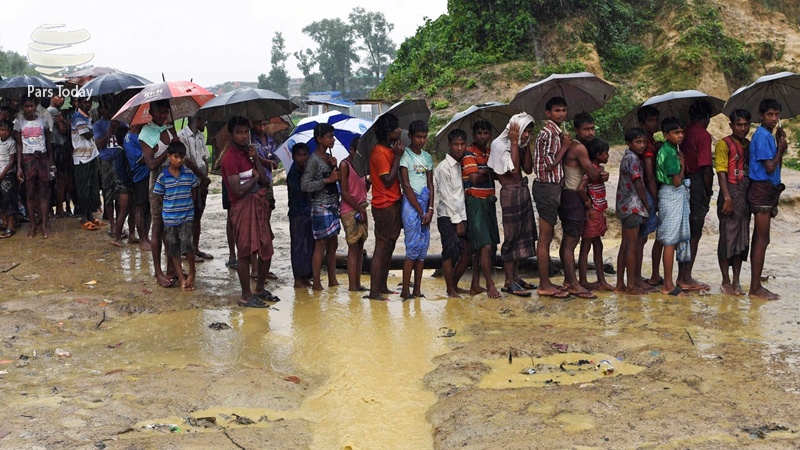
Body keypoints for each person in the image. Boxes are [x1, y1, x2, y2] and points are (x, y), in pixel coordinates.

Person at [219, 116, 277, 307]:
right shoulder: (229, 158)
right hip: (241, 206)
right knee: (244, 252)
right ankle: (246, 295)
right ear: (231, 134)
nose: (244, 136)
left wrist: (255, 162)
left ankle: (259, 289)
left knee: (266, 248)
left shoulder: (249, 153)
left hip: (257, 204)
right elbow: (238, 190)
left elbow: (263, 180)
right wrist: (255, 177)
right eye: (239, 132)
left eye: (246, 132)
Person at [487, 113, 537, 297]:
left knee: (522, 235)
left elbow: (528, 169)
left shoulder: (520, 144)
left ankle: (515, 277)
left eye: (529, 132)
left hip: (522, 190)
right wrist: (515, 143)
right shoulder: (499, 145)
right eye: (525, 131)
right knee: (511, 237)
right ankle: (508, 281)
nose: (526, 135)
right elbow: (514, 169)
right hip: (510, 193)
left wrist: (525, 145)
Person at [560, 112, 606, 298]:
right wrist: (601, 171)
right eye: (586, 129)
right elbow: (593, 175)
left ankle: (571, 281)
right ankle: (573, 283)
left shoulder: (578, 146)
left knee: (570, 240)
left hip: (570, 195)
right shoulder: (579, 148)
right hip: (572, 196)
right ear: (577, 130)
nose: (591, 132)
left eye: (592, 128)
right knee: (571, 240)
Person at [454, 120, 500, 298]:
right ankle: (490, 284)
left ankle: (475, 284)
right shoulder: (468, 153)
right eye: (479, 133)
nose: (483, 136)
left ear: (490, 135)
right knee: (485, 245)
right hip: (475, 202)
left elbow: (495, 173)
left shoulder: (489, 152)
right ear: (474, 135)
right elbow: (474, 178)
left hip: (488, 201)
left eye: (486, 133)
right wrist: (488, 170)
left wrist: (487, 171)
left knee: (483, 247)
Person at [748, 99, 787, 300]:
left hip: (768, 189)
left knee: (761, 238)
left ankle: (756, 282)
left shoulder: (769, 136)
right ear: (762, 116)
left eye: (776, 114)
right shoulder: (762, 136)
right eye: (770, 114)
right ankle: (755, 287)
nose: (774, 118)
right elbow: (770, 167)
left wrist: (781, 143)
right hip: (762, 189)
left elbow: (775, 161)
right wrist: (780, 147)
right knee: (762, 239)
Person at [532, 97, 571, 298]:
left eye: (564, 110)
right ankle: (544, 284)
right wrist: (565, 147)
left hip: (552, 187)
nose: (561, 114)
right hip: (546, 187)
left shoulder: (557, 133)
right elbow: (548, 164)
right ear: (548, 113)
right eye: (557, 110)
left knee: (546, 237)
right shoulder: (549, 134)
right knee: (545, 238)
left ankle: (547, 282)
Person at [152, 142, 200, 291]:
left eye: (181, 157)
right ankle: (181, 278)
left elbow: (193, 193)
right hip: (170, 219)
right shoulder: (162, 177)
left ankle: (192, 272)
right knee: (173, 248)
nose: (179, 160)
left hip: (186, 216)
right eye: (176, 157)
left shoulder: (189, 174)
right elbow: (160, 197)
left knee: (187, 245)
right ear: (169, 157)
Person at [715, 109, 752, 296]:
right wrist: (727, 197)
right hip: (730, 193)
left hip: (744, 195)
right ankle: (725, 279)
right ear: (731, 125)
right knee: (727, 238)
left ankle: (737, 279)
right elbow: (721, 171)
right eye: (739, 125)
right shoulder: (724, 144)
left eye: (746, 125)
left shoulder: (748, 145)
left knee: (741, 239)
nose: (742, 128)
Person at [677, 100, 713, 292]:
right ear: (706, 117)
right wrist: (709, 191)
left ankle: (682, 274)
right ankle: (686, 276)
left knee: (685, 230)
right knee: (695, 232)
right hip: (697, 181)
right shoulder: (703, 135)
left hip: (683, 181)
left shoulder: (684, 132)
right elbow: (706, 167)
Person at [301, 123, 341, 291]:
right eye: (329, 136)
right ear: (319, 139)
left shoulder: (328, 158)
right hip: (320, 206)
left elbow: (335, 179)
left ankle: (332, 279)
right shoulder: (313, 160)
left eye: (333, 136)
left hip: (333, 205)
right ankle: (317, 282)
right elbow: (305, 185)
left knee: (333, 245)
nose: (333, 139)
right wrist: (327, 180)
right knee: (321, 245)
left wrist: (334, 168)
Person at [368, 114, 404, 300]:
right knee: (381, 248)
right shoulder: (379, 153)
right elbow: (388, 181)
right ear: (389, 132)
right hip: (385, 205)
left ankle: (381, 286)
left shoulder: (387, 150)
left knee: (388, 247)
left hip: (392, 204)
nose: (399, 131)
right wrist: (398, 157)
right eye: (396, 128)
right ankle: (375, 291)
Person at [399, 120, 434, 299]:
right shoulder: (405, 156)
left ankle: (417, 289)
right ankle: (405, 289)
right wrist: (420, 212)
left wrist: (430, 209)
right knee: (411, 248)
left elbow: (430, 184)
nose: (422, 140)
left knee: (422, 250)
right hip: (411, 205)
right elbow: (406, 185)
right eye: (418, 137)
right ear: (411, 137)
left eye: (424, 137)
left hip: (425, 204)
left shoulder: (427, 158)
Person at [656, 117, 690, 297]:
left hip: (670, 194)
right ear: (666, 134)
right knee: (670, 241)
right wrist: (682, 164)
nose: (680, 136)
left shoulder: (669, 149)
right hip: (671, 194)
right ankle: (668, 285)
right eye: (676, 133)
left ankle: (668, 282)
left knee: (670, 239)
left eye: (681, 132)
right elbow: (677, 181)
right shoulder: (669, 153)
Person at [614, 131, 650, 294]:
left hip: (624, 206)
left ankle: (620, 284)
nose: (642, 145)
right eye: (638, 142)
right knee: (632, 247)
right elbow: (639, 184)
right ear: (629, 143)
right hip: (633, 207)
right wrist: (646, 204)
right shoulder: (633, 159)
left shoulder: (627, 157)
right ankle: (631, 286)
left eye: (643, 142)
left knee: (625, 245)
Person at [435, 128, 469, 298]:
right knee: (449, 252)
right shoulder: (444, 168)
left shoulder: (463, 165)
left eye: (462, 144)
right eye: (456, 144)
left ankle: (454, 285)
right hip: (448, 216)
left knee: (466, 252)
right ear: (449, 145)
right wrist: (458, 221)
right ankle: (450, 289)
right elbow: (448, 197)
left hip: (461, 214)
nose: (459, 148)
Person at [577, 138, 613, 291]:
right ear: (598, 155)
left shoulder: (597, 169)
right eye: (606, 154)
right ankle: (585, 280)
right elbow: (581, 188)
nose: (608, 156)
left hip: (598, 211)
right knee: (587, 245)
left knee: (596, 245)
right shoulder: (592, 170)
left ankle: (599, 279)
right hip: (594, 212)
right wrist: (588, 205)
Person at [16, 97, 54, 238]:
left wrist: (51, 162)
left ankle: (44, 224)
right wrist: (19, 166)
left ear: (35, 106)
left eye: (31, 106)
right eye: (26, 106)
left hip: (42, 157)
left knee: (43, 192)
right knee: (30, 193)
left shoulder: (42, 120)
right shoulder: (19, 122)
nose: (29, 109)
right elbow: (19, 144)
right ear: (23, 107)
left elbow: (48, 141)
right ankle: (32, 225)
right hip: (27, 158)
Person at [178, 115, 214, 261]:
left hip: (200, 180)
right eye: (203, 120)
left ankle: (195, 248)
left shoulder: (200, 136)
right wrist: (203, 177)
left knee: (198, 215)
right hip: (189, 181)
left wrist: (205, 177)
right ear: (197, 120)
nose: (205, 122)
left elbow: (205, 157)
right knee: (188, 216)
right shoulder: (182, 136)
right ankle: (187, 250)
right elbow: (186, 161)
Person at [636, 105, 663, 290]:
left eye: (655, 120)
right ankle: (636, 277)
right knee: (641, 237)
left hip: (646, 190)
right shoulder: (645, 143)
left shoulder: (651, 141)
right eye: (650, 121)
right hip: (646, 190)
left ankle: (638, 276)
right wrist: (655, 197)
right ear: (642, 123)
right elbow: (649, 174)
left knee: (643, 237)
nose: (654, 124)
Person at [339, 135, 369, 292]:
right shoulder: (345, 165)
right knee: (353, 247)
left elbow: (363, 190)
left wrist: (368, 182)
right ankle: (352, 286)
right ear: (351, 150)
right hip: (351, 210)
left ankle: (357, 283)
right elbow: (344, 193)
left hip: (361, 207)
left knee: (360, 246)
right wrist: (360, 209)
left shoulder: (362, 165)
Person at [287, 142, 314, 288]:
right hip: (298, 213)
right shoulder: (293, 173)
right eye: (299, 155)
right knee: (298, 246)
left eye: (305, 155)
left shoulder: (305, 170)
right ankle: (298, 279)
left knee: (308, 245)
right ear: (293, 156)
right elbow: (303, 189)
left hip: (307, 211)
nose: (302, 158)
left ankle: (305, 276)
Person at [123, 124, 150, 250]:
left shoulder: (142, 136)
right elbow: (141, 159)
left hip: (149, 173)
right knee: (140, 207)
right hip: (140, 175)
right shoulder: (129, 138)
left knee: (148, 207)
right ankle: (142, 239)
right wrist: (153, 150)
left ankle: (145, 236)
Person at [93, 103, 120, 231]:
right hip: (106, 161)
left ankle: (119, 224)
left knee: (121, 194)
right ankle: (113, 225)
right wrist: (110, 131)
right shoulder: (98, 125)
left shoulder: (121, 123)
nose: (109, 111)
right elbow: (99, 144)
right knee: (108, 193)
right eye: (106, 108)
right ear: (101, 110)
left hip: (119, 160)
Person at [48, 95, 75, 218]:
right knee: (61, 179)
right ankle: (60, 209)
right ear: (52, 97)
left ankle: (60, 208)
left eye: (64, 97)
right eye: (59, 97)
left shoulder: (54, 111)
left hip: (58, 146)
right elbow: (64, 130)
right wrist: (67, 122)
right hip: (59, 147)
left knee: (62, 179)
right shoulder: (53, 111)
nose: (62, 100)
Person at [110, 125, 134, 246]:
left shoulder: (120, 150)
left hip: (123, 184)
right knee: (123, 212)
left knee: (126, 211)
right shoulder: (120, 151)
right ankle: (117, 238)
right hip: (123, 185)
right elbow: (119, 170)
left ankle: (125, 235)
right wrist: (128, 182)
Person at [0, 120, 18, 238]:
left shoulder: (11, 143)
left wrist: (2, 174)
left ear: (10, 132)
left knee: (9, 200)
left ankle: (10, 226)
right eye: (1, 130)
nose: (4, 132)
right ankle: (5, 222)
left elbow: (12, 161)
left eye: (6, 130)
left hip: (7, 175)